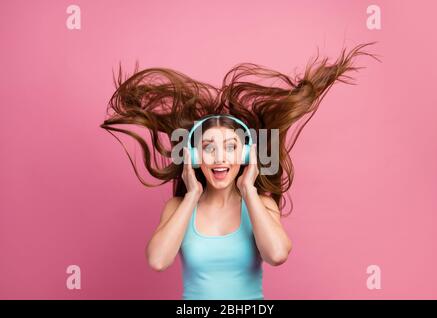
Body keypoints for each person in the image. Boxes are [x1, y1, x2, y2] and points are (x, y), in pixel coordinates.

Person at [100, 42, 380, 299]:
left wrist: (248, 190)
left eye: (231, 147)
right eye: (208, 147)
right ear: (195, 156)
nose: (220, 157)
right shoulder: (178, 207)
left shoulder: (262, 204)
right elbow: (158, 261)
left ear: (246, 154)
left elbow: (277, 254)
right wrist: (191, 195)